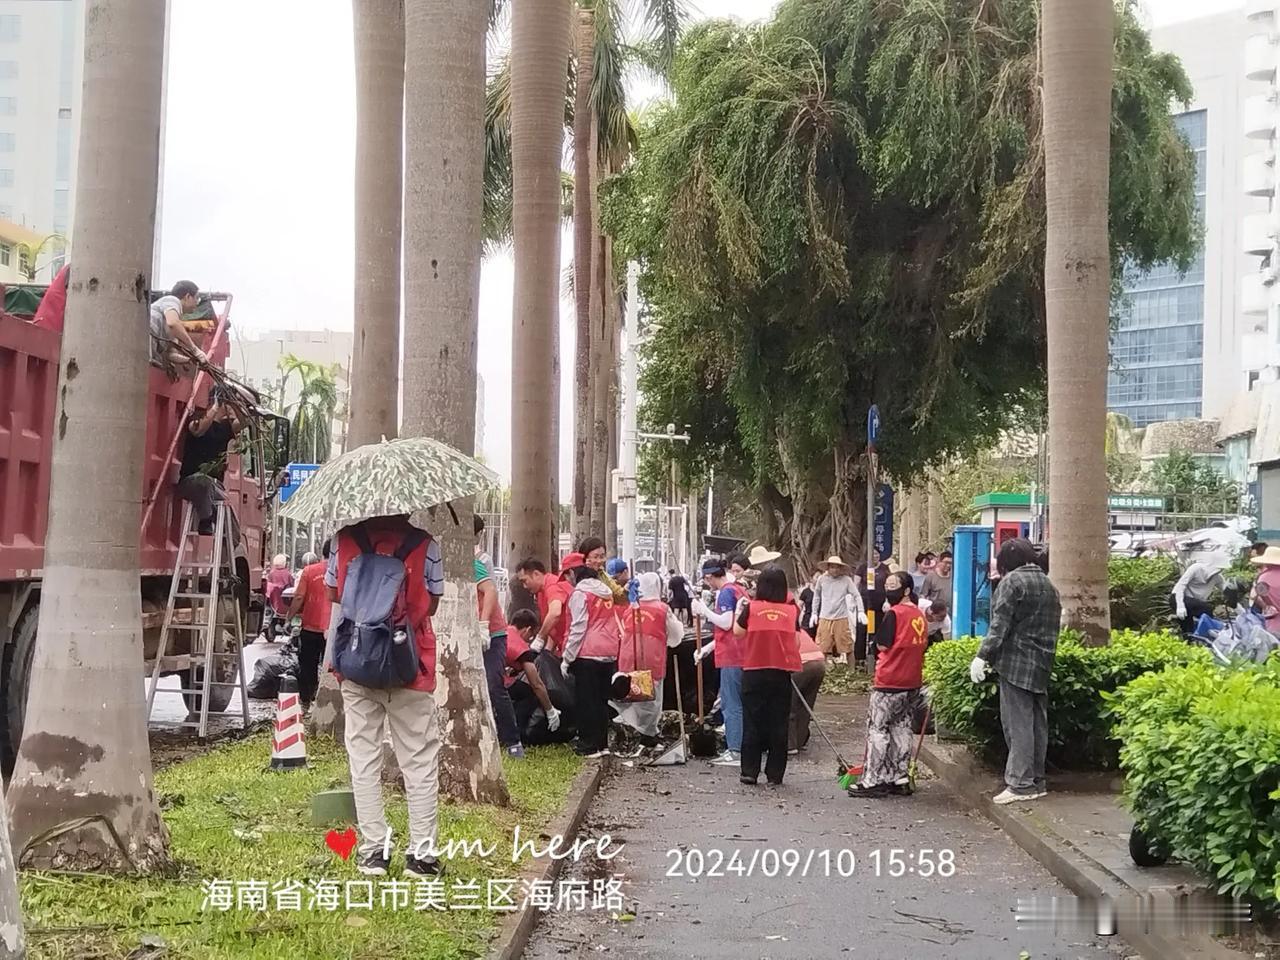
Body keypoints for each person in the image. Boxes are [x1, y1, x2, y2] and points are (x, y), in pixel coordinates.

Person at [325, 514, 445, 876]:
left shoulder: (343, 541)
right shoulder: (426, 545)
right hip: (409, 664)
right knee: (419, 761)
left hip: (357, 660)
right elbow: (433, 603)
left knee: (363, 758)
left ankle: (374, 852)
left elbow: (334, 593)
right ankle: (422, 857)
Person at [969, 538, 1061, 805]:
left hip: (1015, 663)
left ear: (1006, 561)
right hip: (1042, 662)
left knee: (1017, 725)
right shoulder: (1048, 583)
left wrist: (982, 656)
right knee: (1036, 725)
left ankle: (1020, 784)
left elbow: (999, 625)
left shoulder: (1012, 582)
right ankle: (1036, 781)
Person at [849, 572, 928, 798]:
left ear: (906, 590)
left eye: (893, 586)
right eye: (886, 585)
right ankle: (899, 776)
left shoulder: (895, 614)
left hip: (890, 679)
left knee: (878, 728)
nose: (888, 589)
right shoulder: (919, 614)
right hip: (912, 680)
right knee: (902, 727)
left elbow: (883, 645)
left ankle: (872, 779)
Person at [732, 566, 802, 785]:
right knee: (779, 723)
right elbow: (797, 642)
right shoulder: (791, 611)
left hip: (754, 671)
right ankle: (775, 774)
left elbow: (738, 632)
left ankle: (749, 772)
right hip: (780, 673)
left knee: (752, 721)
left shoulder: (751, 608)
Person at [613, 571, 684, 745]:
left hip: (628, 655)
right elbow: (676, 636)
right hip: (652, 656)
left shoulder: (630, 607)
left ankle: (632, 728)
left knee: (632, 692)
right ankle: (648, 733)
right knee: (651, 696)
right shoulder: (662, 609)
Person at [690, 559, 748, 767]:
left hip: (732, 656)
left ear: (709, 577)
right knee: (738, 703)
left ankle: (735, 751)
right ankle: (740, 747)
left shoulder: (725, 593)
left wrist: (703, 610)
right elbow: (730, 630)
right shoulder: (739, 590)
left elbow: (726, 622)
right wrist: (706, 649)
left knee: (731, 704)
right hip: (741, 652)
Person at [562, 565, 621, 758]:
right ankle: (602, 744)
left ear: (575, 575)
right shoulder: (607, 594)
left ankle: (588, 745)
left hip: (588, 653)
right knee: (602, 700)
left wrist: (567, 657)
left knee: (587, 700)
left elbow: (578, 627)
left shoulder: (581, 594)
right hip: (609, 651)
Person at [476, 530, 523, 759]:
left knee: (494, 684)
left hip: (493, 634)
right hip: (470, 635)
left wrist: (484, 624)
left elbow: (491, 590)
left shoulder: (474, 564)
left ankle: (513, 741)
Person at [177, 393, 244, 538]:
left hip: (215, 486)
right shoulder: (196, 418)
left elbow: (242, 424)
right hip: (190, 482)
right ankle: (206, 520)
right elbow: (198, 431)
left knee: (226, 507)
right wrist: (216, 406)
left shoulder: (226, 428)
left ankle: (232, 541)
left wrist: (239, 407)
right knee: (204, 481)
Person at [505, 609, 562, 736]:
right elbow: (536, 684)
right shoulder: (521, 647)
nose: (528, 639)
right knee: (529, 693)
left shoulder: (501, 631)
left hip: (488, 679)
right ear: (527, 629)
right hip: (498, 684)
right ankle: (517, 732)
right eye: (531, 636)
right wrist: (550, 710)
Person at [285, 546, 330, 707]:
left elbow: (299, 597)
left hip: (311, 627)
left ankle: (306, 699)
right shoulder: (343, 570)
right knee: (331, 667)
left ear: (322, 554)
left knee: (308, 665)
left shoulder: (309, 571)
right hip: (333, 630)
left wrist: (289, 617)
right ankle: (327, 701)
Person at [811, 556, 865, 663]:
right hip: (825, 617)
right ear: (828, 568)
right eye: (832, 567)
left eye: (837, 567)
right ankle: (824, 671)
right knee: (822, 648)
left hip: (841, 618)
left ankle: (851, 671)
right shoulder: (822, 579)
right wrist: (814, 613)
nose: (835, 570)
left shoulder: (846, 580)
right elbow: (816, 596)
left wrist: (861, 611)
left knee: (848, 647)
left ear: (840, 568)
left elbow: (856, 595)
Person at [516, 558, 574, 656]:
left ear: (536, 574)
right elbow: (553, 625)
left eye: (525, 581)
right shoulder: (541, 593)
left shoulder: (553, 585)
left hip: (574, 645)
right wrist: (547, 651)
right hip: (566, 645)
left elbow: (555, 613)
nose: (524, 586)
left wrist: (540, 637)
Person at [149, 280, 208, 371]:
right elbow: (173, 323)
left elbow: (171, 354)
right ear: (187, 296)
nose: (197, 303)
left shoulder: (173, 322)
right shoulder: (172, 300)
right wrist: (195, 350)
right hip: (145, 337)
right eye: (197, 298)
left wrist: (191, 360)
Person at [1170, 553, 1229, 636]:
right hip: (1178, 598)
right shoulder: (1196, 568)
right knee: (1206, 609)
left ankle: (1192, 638)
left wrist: (1241, 611)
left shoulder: (1218, 578)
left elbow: (1228, 593)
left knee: (1188, 627)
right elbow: (1181, 586)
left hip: (1194, 603)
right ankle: (1208, 633)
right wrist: (1180, 606)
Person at [789, 626, 827, 753]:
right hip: (819, 663)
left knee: (789, 705)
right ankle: (800, 741)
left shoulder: (779, 629)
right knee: (806, 706)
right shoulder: (797, 628)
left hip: (801, 664)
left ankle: (790, 745)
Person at [263, 554, 294, 639]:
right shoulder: (287, 574)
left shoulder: (271, 574)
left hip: (273, 600)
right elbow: (292, 585)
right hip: (286, 602)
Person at [798, 572, 819, 639]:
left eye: (820, 577)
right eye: (817, 577)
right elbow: (799, 607)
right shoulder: (805, 592)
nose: (818, 579)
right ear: (811, 579)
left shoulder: (823, 592)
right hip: (807, 622)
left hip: (820, 622)